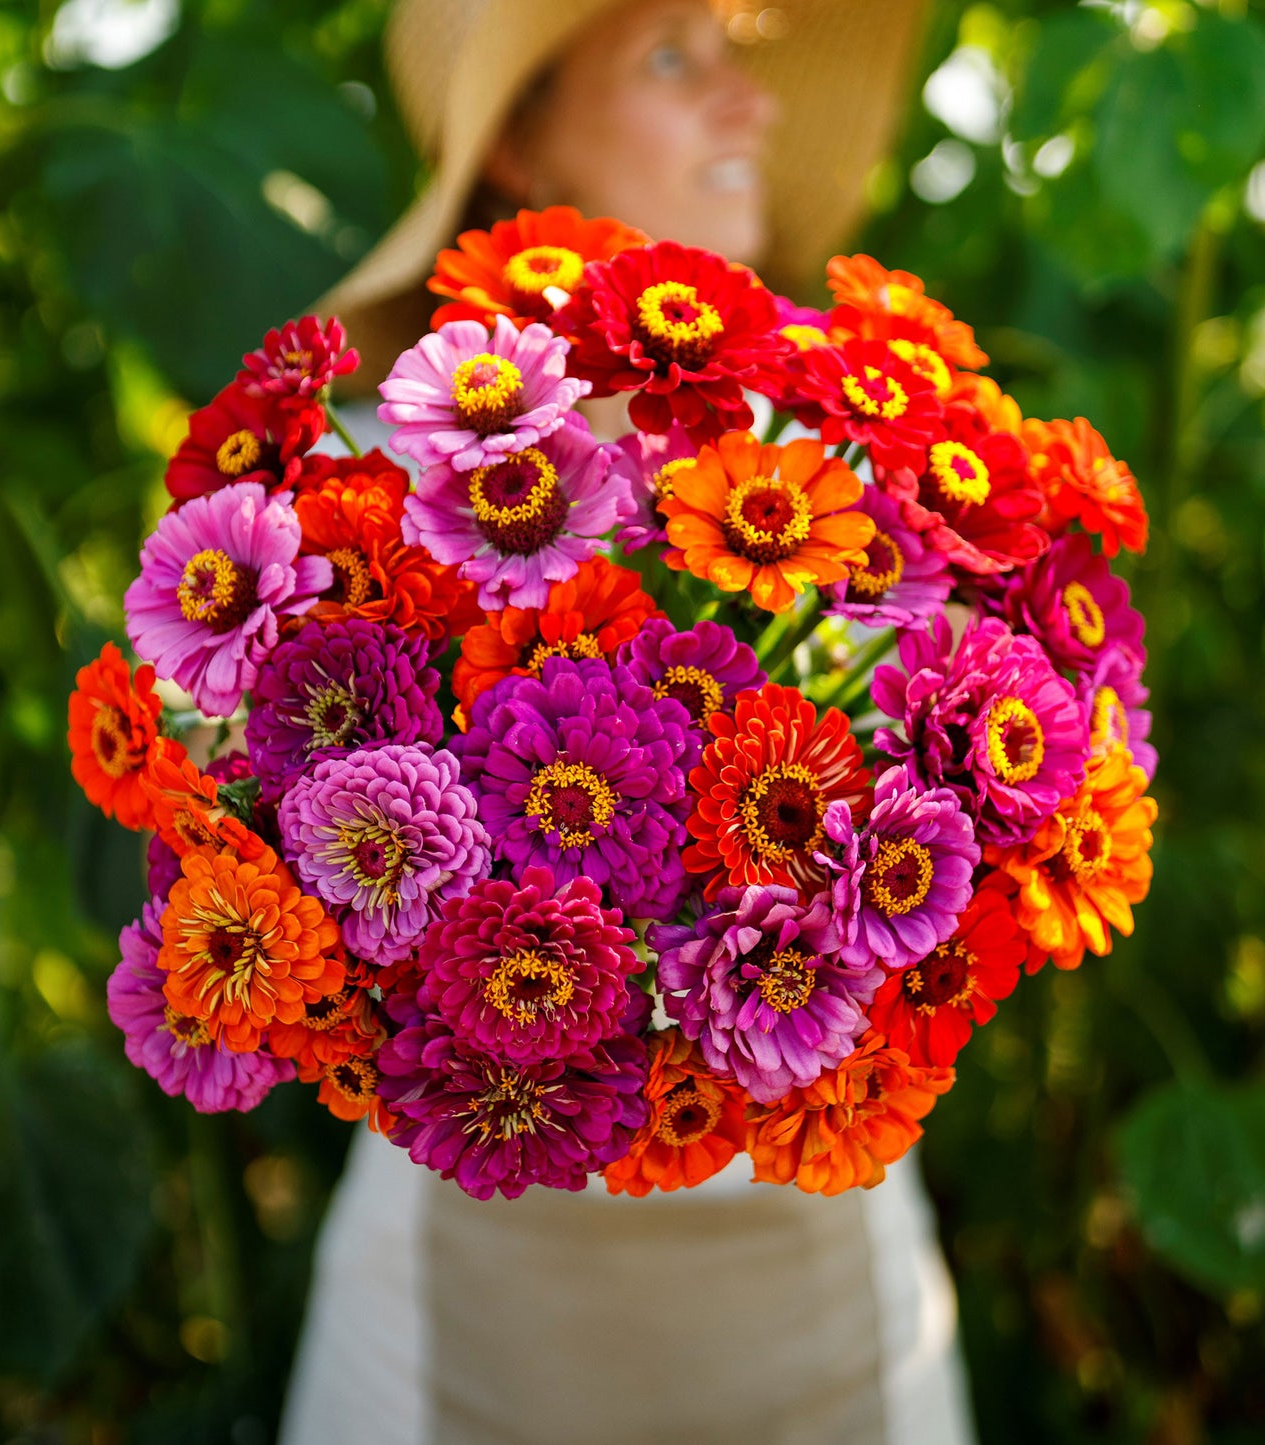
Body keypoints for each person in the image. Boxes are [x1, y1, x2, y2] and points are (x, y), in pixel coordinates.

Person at [280, 3, 977, 1442]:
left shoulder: (844, 461)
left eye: (742, 58)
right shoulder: (355, 496)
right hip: (460, 1283)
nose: (749, 107)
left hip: (822, 1262)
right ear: (518, 148)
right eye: (675, 60)